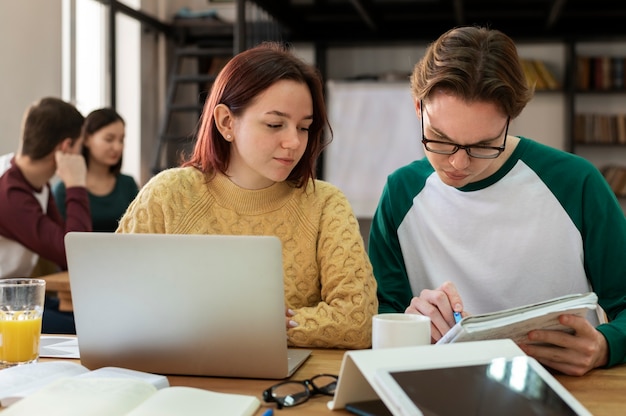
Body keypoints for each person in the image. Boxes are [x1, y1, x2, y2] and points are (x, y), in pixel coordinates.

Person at [368, 26, 626, 376]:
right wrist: (407, 322)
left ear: (510, 119)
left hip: (563, 388)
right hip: (443, 386)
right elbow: (384, 309)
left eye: (483, 145)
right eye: (440, 140)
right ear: (418, 109)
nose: (459, 164)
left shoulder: (576, 183)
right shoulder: (400, 193)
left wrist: (606, 345)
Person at [117, 41, 378, 349]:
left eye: (304, 127)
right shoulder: (167, 196)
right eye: (274, 124)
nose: (294, 142)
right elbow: (114, 303)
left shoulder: (325, 204)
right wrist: (232, 326)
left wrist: (260, 327)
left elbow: (358, 321)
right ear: (227, 122)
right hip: (176, 379)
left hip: (289, 389)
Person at [0, 97, 92, 333]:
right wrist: (76, 185)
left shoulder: (34, 182)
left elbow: (67, 250)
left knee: (92, 319)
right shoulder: (9, 191)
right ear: (66, 146)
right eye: (80, 145)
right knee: (84, 328)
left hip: (15, 297)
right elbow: (73, 252)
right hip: (7, 303)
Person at [53, 108, 139, 232]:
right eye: (109, 139)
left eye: (121, 140)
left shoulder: (128, 184)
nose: (117, 147)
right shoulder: (64, 190)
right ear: (86, 139)